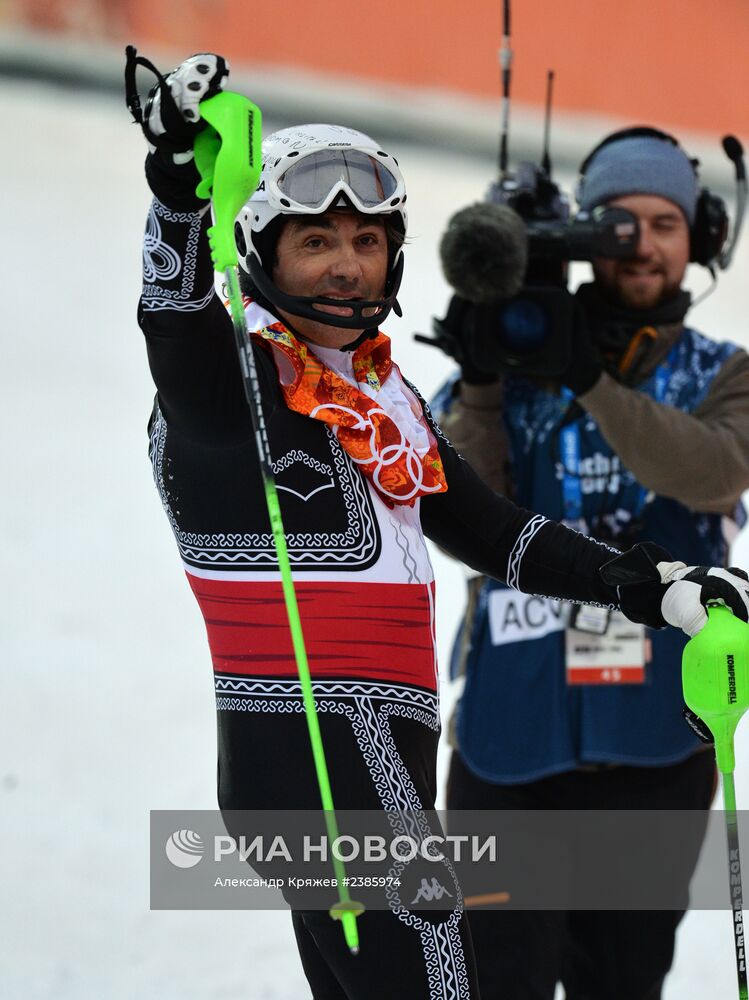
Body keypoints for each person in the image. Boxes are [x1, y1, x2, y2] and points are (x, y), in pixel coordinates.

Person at [130, 54, 749, 1000]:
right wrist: (176, 188)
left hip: (381, 791)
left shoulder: (378, 399)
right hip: (335, 805)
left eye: (368, 240)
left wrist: (650, 587)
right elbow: (173, 318)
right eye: (315, 241)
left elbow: (498, 532)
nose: (346, 263)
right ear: (260, 252)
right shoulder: (239, 387)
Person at [431, 128, 749, 999]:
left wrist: (588, 380)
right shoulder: (513, 363)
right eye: (615, 224)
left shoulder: (726, 374)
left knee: (622, 981)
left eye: (663, 224)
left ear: (703, 238)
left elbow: (708, 473)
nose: (640, 245)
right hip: (506, 740)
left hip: (656, 745)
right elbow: (456, 504)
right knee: (494, 979)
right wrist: (483, 383)